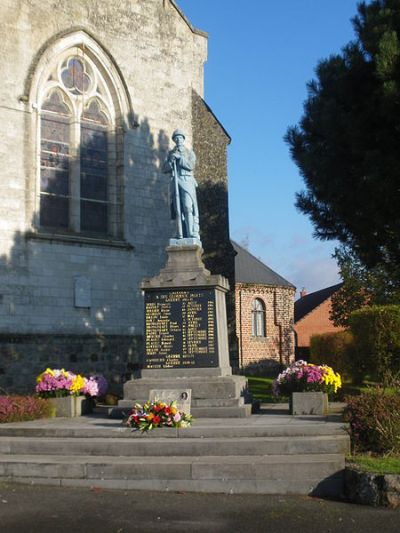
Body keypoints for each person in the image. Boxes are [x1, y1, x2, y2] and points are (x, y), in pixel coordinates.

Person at [163, 129, 200, 240]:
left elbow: (191, 165)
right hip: (175, 182)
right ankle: (180, 233)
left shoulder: (189, 153)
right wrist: (170, 162)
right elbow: (164, 168)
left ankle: (190, 233)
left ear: (183, 139)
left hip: (187, 181)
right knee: (178, 210)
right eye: (176, 138)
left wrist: (181, 158)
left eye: (180, 137)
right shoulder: (170, 154)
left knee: (188, 207)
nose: (178, 139)